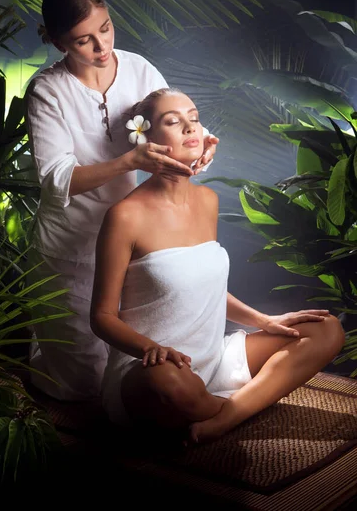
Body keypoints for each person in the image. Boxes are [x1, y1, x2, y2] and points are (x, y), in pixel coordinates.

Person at [90, 87, 345, 444]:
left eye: (193, 118)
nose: (190, 128)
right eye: (173, 121)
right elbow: (102, 317)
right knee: (168, 383)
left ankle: (224, 417)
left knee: (327, 329)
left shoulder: (207, 201)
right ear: (146, 139)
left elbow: (203, 288)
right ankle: (238, 406)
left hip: (215, 358)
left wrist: (265, 321)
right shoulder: (125, 217)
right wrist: (149, 349)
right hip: (153, 372)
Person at [24, 0, 218, 401]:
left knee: (133, 377)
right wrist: (129, 161)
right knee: (82, 387)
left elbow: (170, 115)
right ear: (59, 43)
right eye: (83, 41)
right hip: (72, 246)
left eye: (106, 28)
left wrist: (201, 147)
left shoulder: (139, 68)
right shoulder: (47, 91)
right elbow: (57, 179)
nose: (101, 46)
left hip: (133, 243)